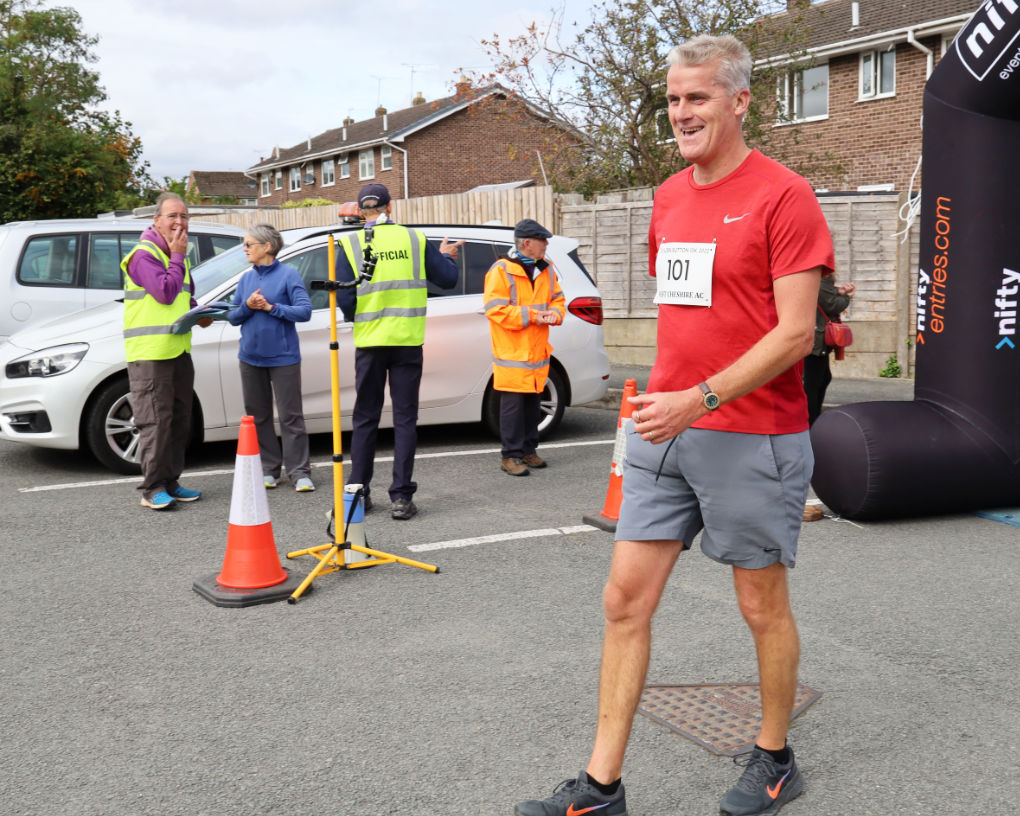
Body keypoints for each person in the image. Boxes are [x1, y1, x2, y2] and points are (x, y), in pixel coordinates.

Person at [514, 34, 834, 816]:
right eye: (672, 99)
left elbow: (796, 332)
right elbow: (688, 308)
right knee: (624, 600)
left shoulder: (784, 195)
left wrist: (703, 397)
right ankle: (601, 786)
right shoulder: (666, 195)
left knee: (760, 605)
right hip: (664, 428)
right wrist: (672, 397)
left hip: (751, 430)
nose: (681, 113)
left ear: (739, 101)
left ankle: (774, 758)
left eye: (696, 98)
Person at [335, 182, 461, 520]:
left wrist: (362, 318)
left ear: (361, 211)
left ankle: (359, 493)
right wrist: (448, 257)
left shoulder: (350, 244)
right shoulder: (414, 239)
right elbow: (447, 280)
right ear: (390, 207)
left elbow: (345, 297)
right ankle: (402, 497)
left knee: (365, 418)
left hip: (370, 343)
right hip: (407, 341)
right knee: (405, 419)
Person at [121, 192, 210, 510]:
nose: (180, 222)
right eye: (173, 215)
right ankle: (152, 489)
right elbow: (163, 293)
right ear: (155, 220)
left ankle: (171, 482)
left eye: (184, 216)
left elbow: (184, 296)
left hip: (177, 350)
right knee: (155, 422)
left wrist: (202, 313)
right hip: (151, 353)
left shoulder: (177, 255)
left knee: (178, 421)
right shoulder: (145, 254)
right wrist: (176, 255)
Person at [226, 224, 315, 492]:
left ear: (267, 247)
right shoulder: (245, 279)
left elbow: (304, 311)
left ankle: (300, 472)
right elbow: (232, 316)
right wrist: (248, 306)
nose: (245, 249)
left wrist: (270, 307)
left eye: (249, 244)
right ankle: (269, 469)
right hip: (250, 358)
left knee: (291, 416)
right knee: (258, 416)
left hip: (284, 357)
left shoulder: (289, 275)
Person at [484, 219, 565, 477]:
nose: (547, 244)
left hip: (537, 353)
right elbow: (495, 310)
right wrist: (534, 316)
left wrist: (555, 314)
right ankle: (510, 456)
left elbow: (558, 299)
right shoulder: (502, 270)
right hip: (513, 353)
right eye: (543, 240)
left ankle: (529, 451)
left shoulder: (547, 268)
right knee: (512, 409)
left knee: (532, 405)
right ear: (527, 243)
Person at [803, 273, 855, 425]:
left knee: (822, 378)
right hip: (816, 340)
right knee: (814, 383)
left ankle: (812, 419)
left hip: (814, 337)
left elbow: (826, 296)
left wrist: (840, 292)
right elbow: (831, 304)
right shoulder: (821, 277)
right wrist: (847, 297)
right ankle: (810, 422)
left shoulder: (814, 277)